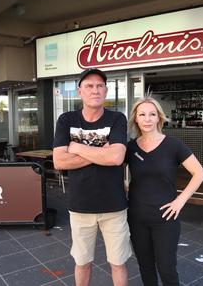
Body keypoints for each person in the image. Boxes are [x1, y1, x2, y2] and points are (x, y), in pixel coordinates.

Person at [53, 68, 131, 286]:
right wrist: (101, 152)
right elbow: (60, 162)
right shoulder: (66, 120)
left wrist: (76, 147)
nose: (94, 90)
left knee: (118, 263)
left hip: (114, 206)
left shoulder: (117, 119)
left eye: (99, 86)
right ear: (80, 91)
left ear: (105, 91)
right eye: (89, 86)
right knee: (82, 262)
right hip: (80, 206)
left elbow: (116, 158)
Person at [125, 97, 203, 286]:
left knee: (166, 269)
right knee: (145, 267)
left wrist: (180, 201)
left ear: (159, 118)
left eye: (152, 114)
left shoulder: (173, 145)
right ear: (135, 119)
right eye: (142, 114)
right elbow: (113, 170)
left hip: (166, 218)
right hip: (136, 216)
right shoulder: (130, 147)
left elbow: (199, 173)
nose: (147, 119)